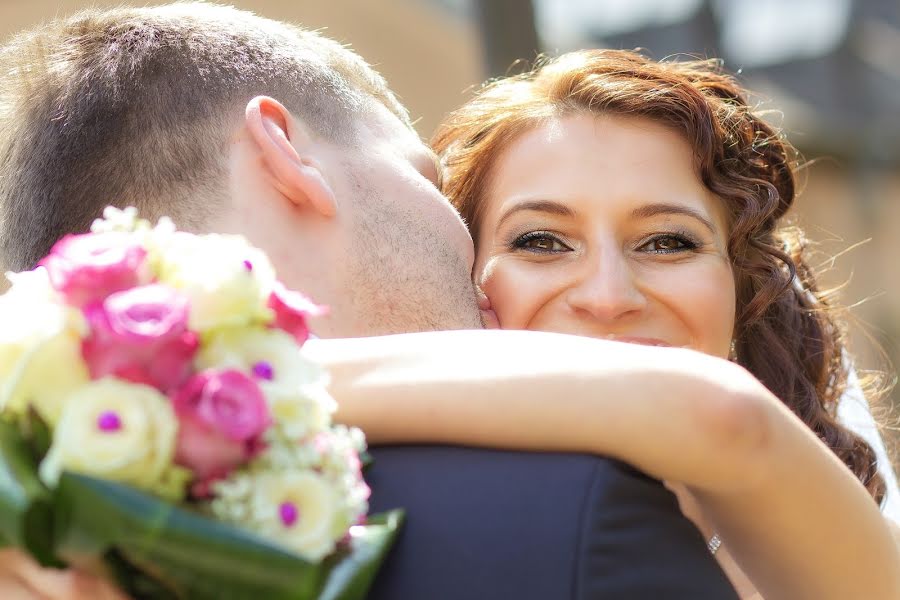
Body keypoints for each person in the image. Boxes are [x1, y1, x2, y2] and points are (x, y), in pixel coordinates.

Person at [0, 4, 745, 599]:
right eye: (424, 175)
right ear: (286, 154)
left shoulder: (48, 534)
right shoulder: (571, 521)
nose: (470, 254)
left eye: (669, 242)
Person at [331, 49, 900, 598]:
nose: (608, 297)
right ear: (464, 268)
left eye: (667, 242)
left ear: (741, 285)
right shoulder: (378, 529)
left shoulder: (847, 545)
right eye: (542, 242)